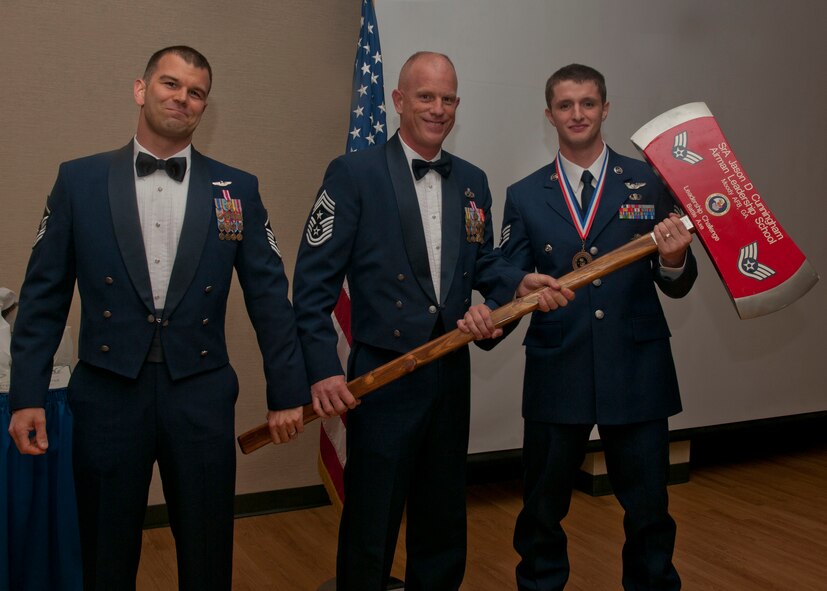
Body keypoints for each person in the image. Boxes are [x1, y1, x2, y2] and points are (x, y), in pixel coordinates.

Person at [7, 46, 309, 590]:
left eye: (196, 92)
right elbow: (43, 296)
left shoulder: (235, 189)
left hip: (200, 392)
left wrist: (287, 390)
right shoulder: (78, 180)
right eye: (171, 84)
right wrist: (28, 395)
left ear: (204, 107)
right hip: (106, 393)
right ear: (141, 89)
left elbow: (269, 297)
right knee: (105, 551)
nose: (183, 98)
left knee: (207, 548)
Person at [292, 51, 570, 591]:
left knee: (442, 515)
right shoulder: (353, 173)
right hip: (384, 376)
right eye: (425, 96)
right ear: (398, 100)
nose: (437, 108)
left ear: (457, 106)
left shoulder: (472, 180)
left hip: (448, 371)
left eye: (447, 99)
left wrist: (512, 283)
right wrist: (324, 369)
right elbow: (312, 285)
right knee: (372, 518)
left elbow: (482, 258)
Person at [496, 64, 697, 590]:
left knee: (650, 510)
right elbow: (502, 268)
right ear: (549, 115)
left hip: (636, 370)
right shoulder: (524, 194)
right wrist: (520, 282)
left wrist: (674, 259)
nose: (577, 114)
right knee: (541, 512)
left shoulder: (651, 180)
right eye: (565, 105)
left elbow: (676, 280)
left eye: (588, 103)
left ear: (605, 108)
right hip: (557, 367)